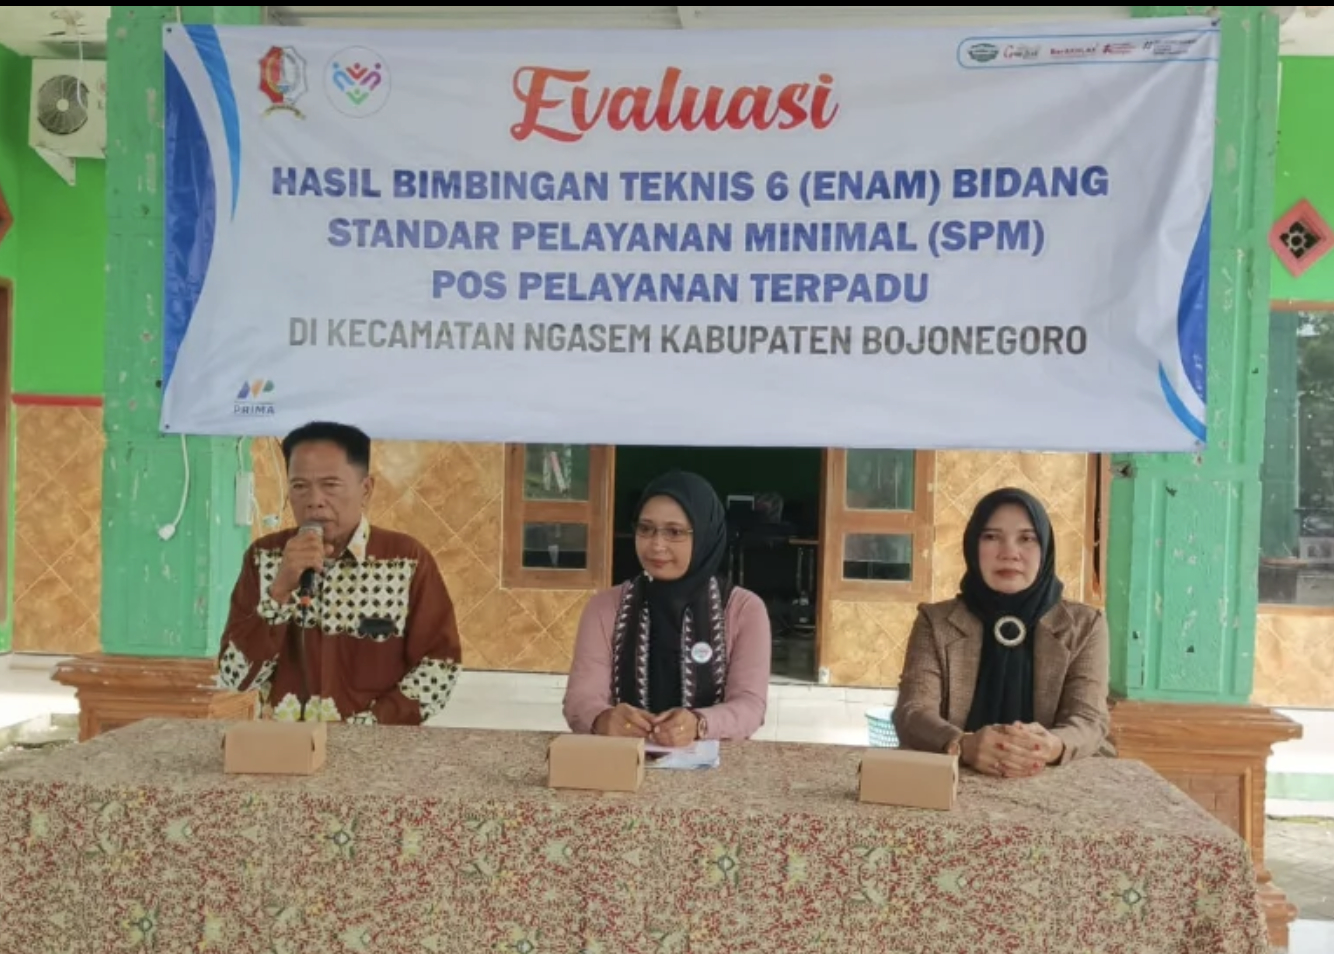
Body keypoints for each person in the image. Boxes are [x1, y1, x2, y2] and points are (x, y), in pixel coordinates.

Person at [216, 421, 462, 725]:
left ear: (366, 489)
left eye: (330, 485)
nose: (314, 500)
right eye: (299, 486)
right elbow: (236, 678)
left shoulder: (406, 560)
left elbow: (440, 670)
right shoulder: (264, 557)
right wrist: (279, 593)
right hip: (284, 747)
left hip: (374, 747)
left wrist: (367, 727)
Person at [892, 487, 1110, 777]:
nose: (1009, 553)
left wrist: (1049, 746)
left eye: (1027, 538)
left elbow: (1089, 720)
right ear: (972, 545)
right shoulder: (936, 622)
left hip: (1053, 781)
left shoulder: (1084, 625)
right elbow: (913, 711)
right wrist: (963, 744)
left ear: (1045, 548)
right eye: (991, 537)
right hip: (951, 782)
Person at [563, 471, 771, 743]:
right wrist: (602, 718)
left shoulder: (743, 610)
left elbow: (750, 706)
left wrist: (699, 724)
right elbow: (580, 698)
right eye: (645, 528)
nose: (656, 545)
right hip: (621, 759)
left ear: (705, 535)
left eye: (674, 532)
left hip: (717, 762)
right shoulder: (604, 608)